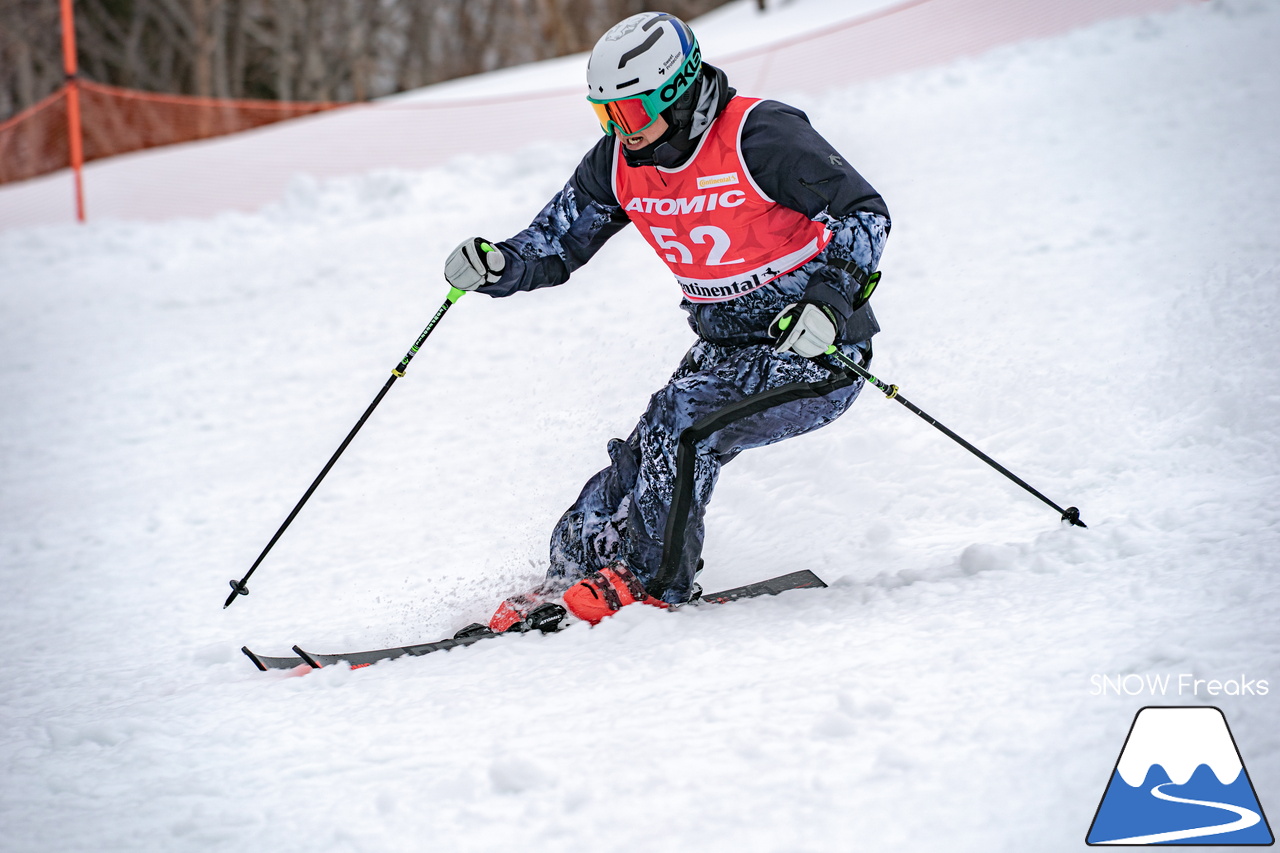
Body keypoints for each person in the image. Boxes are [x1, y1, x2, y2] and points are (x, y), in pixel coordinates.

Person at [444, 11, 890, 632]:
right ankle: (571, 577)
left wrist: (829, 302)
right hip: (723, 349)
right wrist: (499, 264)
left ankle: (653, 584)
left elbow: (863, 213)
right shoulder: (618, 162)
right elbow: (556, 242)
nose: (618, 131)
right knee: (637, 465)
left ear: (678, 95)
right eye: (605, 115)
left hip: (811, 351)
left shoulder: (760, 135)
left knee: (682, 428)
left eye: (629, 113)